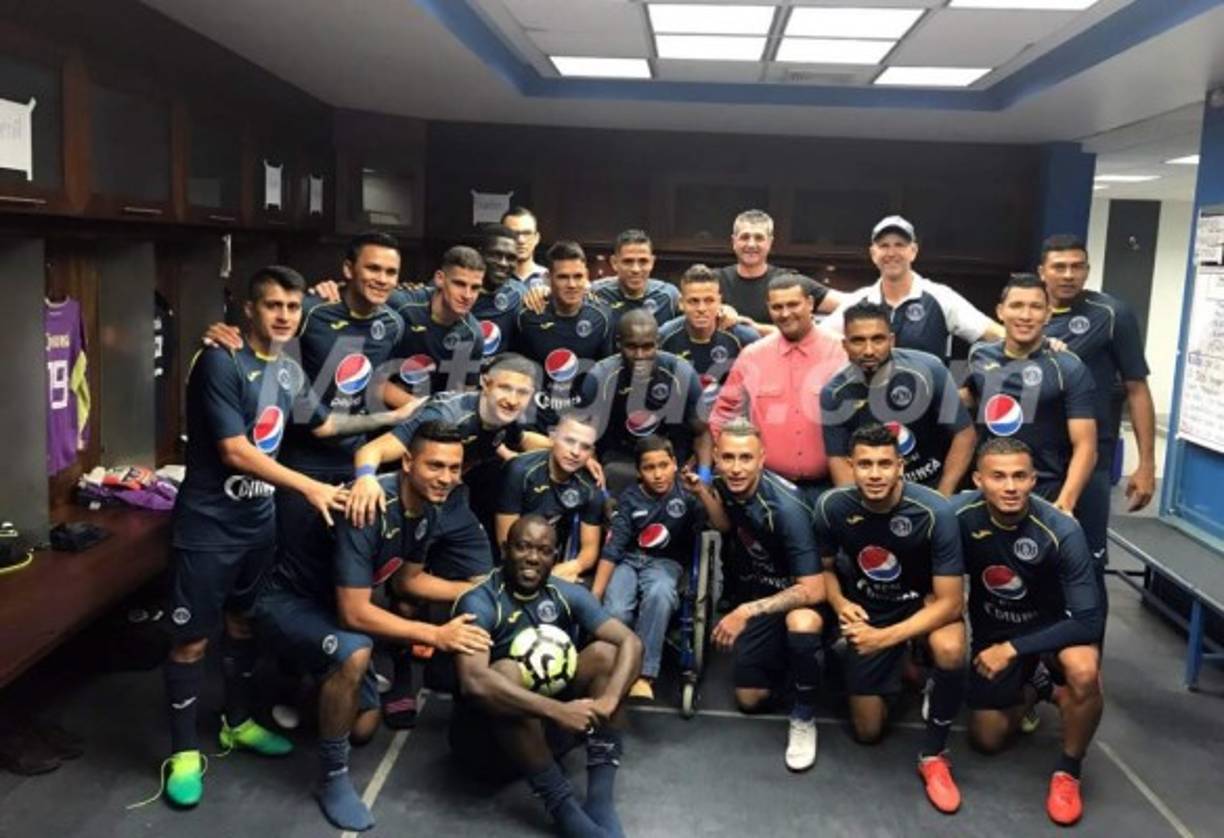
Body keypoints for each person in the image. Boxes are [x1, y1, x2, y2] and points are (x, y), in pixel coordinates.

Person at [163, 266, 409, 808]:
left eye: (293, 308)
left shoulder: (289, 368)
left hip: (258, 523)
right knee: (192, 641)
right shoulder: (220, 361)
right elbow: (235, 451)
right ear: (249, 308)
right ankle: (182, 753)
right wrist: (311, 487)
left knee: (243, 623)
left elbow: (323, 427)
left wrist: (402, 418)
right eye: (273, 305)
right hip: (209, 526)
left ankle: (238, 721)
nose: (283, 316)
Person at [252, 421, 493, 831]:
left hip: (332, 609)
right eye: (436, 466)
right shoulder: (370, 506)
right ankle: (332, 779)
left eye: (454, 468)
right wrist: (437, 635)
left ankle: (309, 686)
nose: (447, 478)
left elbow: (408, 580)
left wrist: (478, 590)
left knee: (362, 726)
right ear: (407, 462)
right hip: (288, 603)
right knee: (355, 650)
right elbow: (356, 614)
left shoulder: (429, 505)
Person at [451, 515, 643, 838]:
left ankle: (600, 800)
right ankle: (564, 811)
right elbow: (474, 682)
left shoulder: (566, 593)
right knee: (504, 672)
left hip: (549, 736)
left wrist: (609, 701)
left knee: (605, 655)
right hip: (486, 747)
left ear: (555, 557)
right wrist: (559, 711)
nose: (532, 558)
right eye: (523, 547)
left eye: (543, 550)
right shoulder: (479, 601)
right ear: (505, 550)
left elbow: (631, 643)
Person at [813, 424, 967, 814]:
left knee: (950, 649)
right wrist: (838, 601)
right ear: (851, 467)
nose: (876, 473)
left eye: (885, 463)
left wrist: (883, 639)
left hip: (924, 603)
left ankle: (935, 754)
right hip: (871, 606)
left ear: (901, 465)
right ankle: (905, 666)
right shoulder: (832, 506)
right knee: (867, 732)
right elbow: (825, 569)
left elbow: (951, 603)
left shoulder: (936, 511)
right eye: (865, 464)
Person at [953, 438, 1105, 827]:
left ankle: (1069, 771)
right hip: (994, 631)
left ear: (1034, 479)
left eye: (1020, 476)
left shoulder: (1061, 530)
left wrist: (1013, 648)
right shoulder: (959, 516)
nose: (1010, 486)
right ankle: (1037, 687)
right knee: (986, 739)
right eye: (998, 476)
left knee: (1085, 672)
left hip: (1056, 629)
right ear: (977, 480)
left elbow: (1088, 621)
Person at [707, 420, 825, 772]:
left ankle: (804, 713)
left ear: (762, 459)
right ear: (716, 457)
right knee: (748, 698)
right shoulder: (722, 485)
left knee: (801, 624)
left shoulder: (787, 510)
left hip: (807, 597)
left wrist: (747, 610)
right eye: (728, 457)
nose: (736, 467)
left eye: (746, 458)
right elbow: (724, 526)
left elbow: (814, 589)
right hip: (764, 595)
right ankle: (798, 665)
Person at [1039, 233, 1157, 571]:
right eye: (1059, 267)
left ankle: (1088, 624)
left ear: (1087, 270)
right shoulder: (1025, 313)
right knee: (1033, 557)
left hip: (1092, 455)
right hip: (1034, 456)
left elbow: (1137, 388)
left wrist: (1146, 464)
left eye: (1077, 266)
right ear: (1042, 271)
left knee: (1086, 560)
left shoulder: (1112, 314)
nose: (1068, 275)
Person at [347, 353, 550, 528]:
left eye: (522, 393)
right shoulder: (445, 415)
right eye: (505, 388)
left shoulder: (506, 417)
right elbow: (371, 451)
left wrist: (563, 446)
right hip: (395, 493)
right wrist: (365, 478)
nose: (513, 400)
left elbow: (523, 439)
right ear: (486, 384)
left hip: (446, 495)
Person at [961, 274, 1097, 516]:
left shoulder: (1068, 367)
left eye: (1035, 307)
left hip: (1045, 494)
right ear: (1000, 312)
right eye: (1016, 306)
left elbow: (1086, 445)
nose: (1025, 315)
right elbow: (964, 400)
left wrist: (1065, 503)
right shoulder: (979, 355)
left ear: (1047, 314)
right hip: (988, 491)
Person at [592, 436, 715, 700]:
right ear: (639, 471)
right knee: (615, 611)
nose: (658, 474)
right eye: (649, 468)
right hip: (628, 560)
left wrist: (702, 491)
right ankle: (616, 667)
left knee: (661, 593)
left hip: (666, 563)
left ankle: (644, 675)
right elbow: (613, 548)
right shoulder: (630, 498)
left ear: (675, 464)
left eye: (663, 465)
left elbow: (722, 526)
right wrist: (594, 596)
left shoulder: (688, 495)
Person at [710, 273, 848, 497]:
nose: (785, 313)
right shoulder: (752, 356)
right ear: (768, 308)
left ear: (810, 304)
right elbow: (723, 415)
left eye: (793, 304)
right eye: (777, 307)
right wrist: (735, 462)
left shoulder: (842, 351)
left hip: (831, 486)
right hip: (768, 489)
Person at [821, 301, 975, 495]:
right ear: (845, 344)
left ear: (891, 341)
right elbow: (839, 460)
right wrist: (859, 508)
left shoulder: (929, 370)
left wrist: (943, 495)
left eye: (878, 339)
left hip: (931, 485)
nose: (869, 350)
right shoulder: (834, 393)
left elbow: (964, 434)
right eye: (858, 340)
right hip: (873, 495)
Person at [821, 215, 1005, 365]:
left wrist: (975, 384)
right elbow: (817, 339)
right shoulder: (858, 302)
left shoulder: (941, 297)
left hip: (927, 408)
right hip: (869, 407)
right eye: (884, 246)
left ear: (913, 251)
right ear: (873, 254)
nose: (891, 253)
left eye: (899, 245)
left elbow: (996, 335)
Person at [578, 309, 710, 488]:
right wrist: (596, 481)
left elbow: (702, 432)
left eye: (647, 347)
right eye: (632, 347)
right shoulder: (600, 377)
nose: (640, 356)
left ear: (658, 343)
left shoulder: (681, 373)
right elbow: (584, 437)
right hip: (621, 461)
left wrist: (704, 475)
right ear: (619, 344)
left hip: (672, 461)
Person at [514, 241, 615, 429]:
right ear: (547, 278)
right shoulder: (526, 317)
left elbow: (606, 375)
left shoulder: (602, 315)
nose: (572, 285)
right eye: (563, 277)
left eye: (578, 276)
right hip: (535, 419)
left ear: (586, 275)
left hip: (581, 422)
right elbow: (516, 372)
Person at [495, 413, 605, 582]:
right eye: (569, 441)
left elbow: (589, 553)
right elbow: (505, 542)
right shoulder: (518, 471)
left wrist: (568, 569)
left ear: (591, 452)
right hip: (510, 560)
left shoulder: (591, 488)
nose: (575, 452)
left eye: (585, 447)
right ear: (553, 438)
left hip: (552, 562)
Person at [658, 263, 760, 416]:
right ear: (681, 303)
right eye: (693, 301)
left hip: (729, 421)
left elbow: (755, 394)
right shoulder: (664, 337)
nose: (701, 309)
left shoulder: (745, 339)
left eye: (709, 300)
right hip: (680, 419)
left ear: (719, 301)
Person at [715, 209, 841, 332]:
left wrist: (757, 329)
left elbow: (849, 304)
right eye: (745, 237)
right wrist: (717, 310)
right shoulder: (713, 281)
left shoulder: (790, 282)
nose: (751, 244)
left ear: (770, 242)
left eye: (759, 238)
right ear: (734, 241)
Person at [389, 245, 485, 397]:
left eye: (475, 288)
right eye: (459, 284)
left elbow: (464, 397)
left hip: (433, 413)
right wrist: (336, 288)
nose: (467, 295)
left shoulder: (473, 335)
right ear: (440, 279)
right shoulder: (401, 305)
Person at [589, 229, 680, 331]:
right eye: (628, 261)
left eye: (643, 261)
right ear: (614, 262)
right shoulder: (596, 293)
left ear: (652, 262)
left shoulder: (669, 296)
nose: (635, 269)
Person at [470, 223, 527, 358]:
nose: (503, 263)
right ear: (479, 254)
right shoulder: (452, 289)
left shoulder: (519, 293)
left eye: (511, 258)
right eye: (495, 255)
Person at [501, 205, 549, 287]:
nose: (521, 240)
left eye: (527, 233)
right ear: (502, 238)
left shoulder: (550, 279)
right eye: (513, 234)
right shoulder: (491, 281)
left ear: (537, 238)